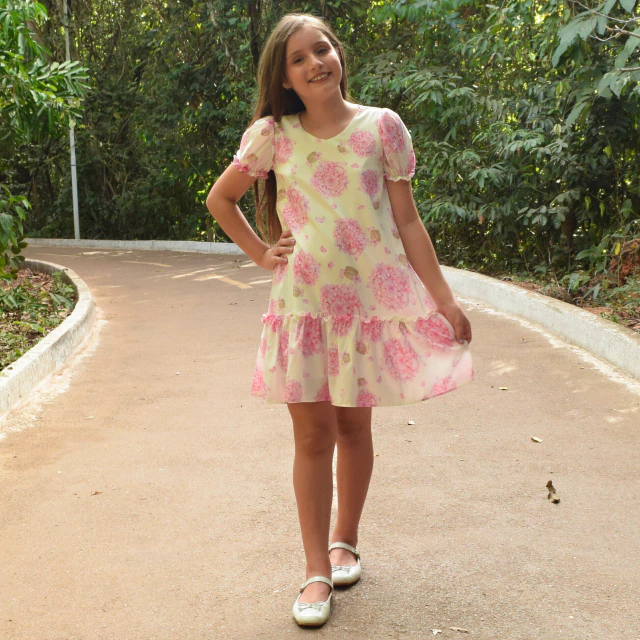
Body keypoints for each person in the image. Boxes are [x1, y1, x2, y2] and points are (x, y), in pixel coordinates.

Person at [206, 12, 475, 628]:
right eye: (298, 59)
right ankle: (314, 570)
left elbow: (408, 221)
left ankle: (344, 542)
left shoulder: (382, 127)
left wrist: (443, 298)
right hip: (303, 307)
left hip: (368, 309)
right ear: (284, 79)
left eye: (321, 49)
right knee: (310, 438)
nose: (314, 63)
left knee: (354, 428)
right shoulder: (272, 135)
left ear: (339, 55)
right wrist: (260, 253)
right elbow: (221, 198)